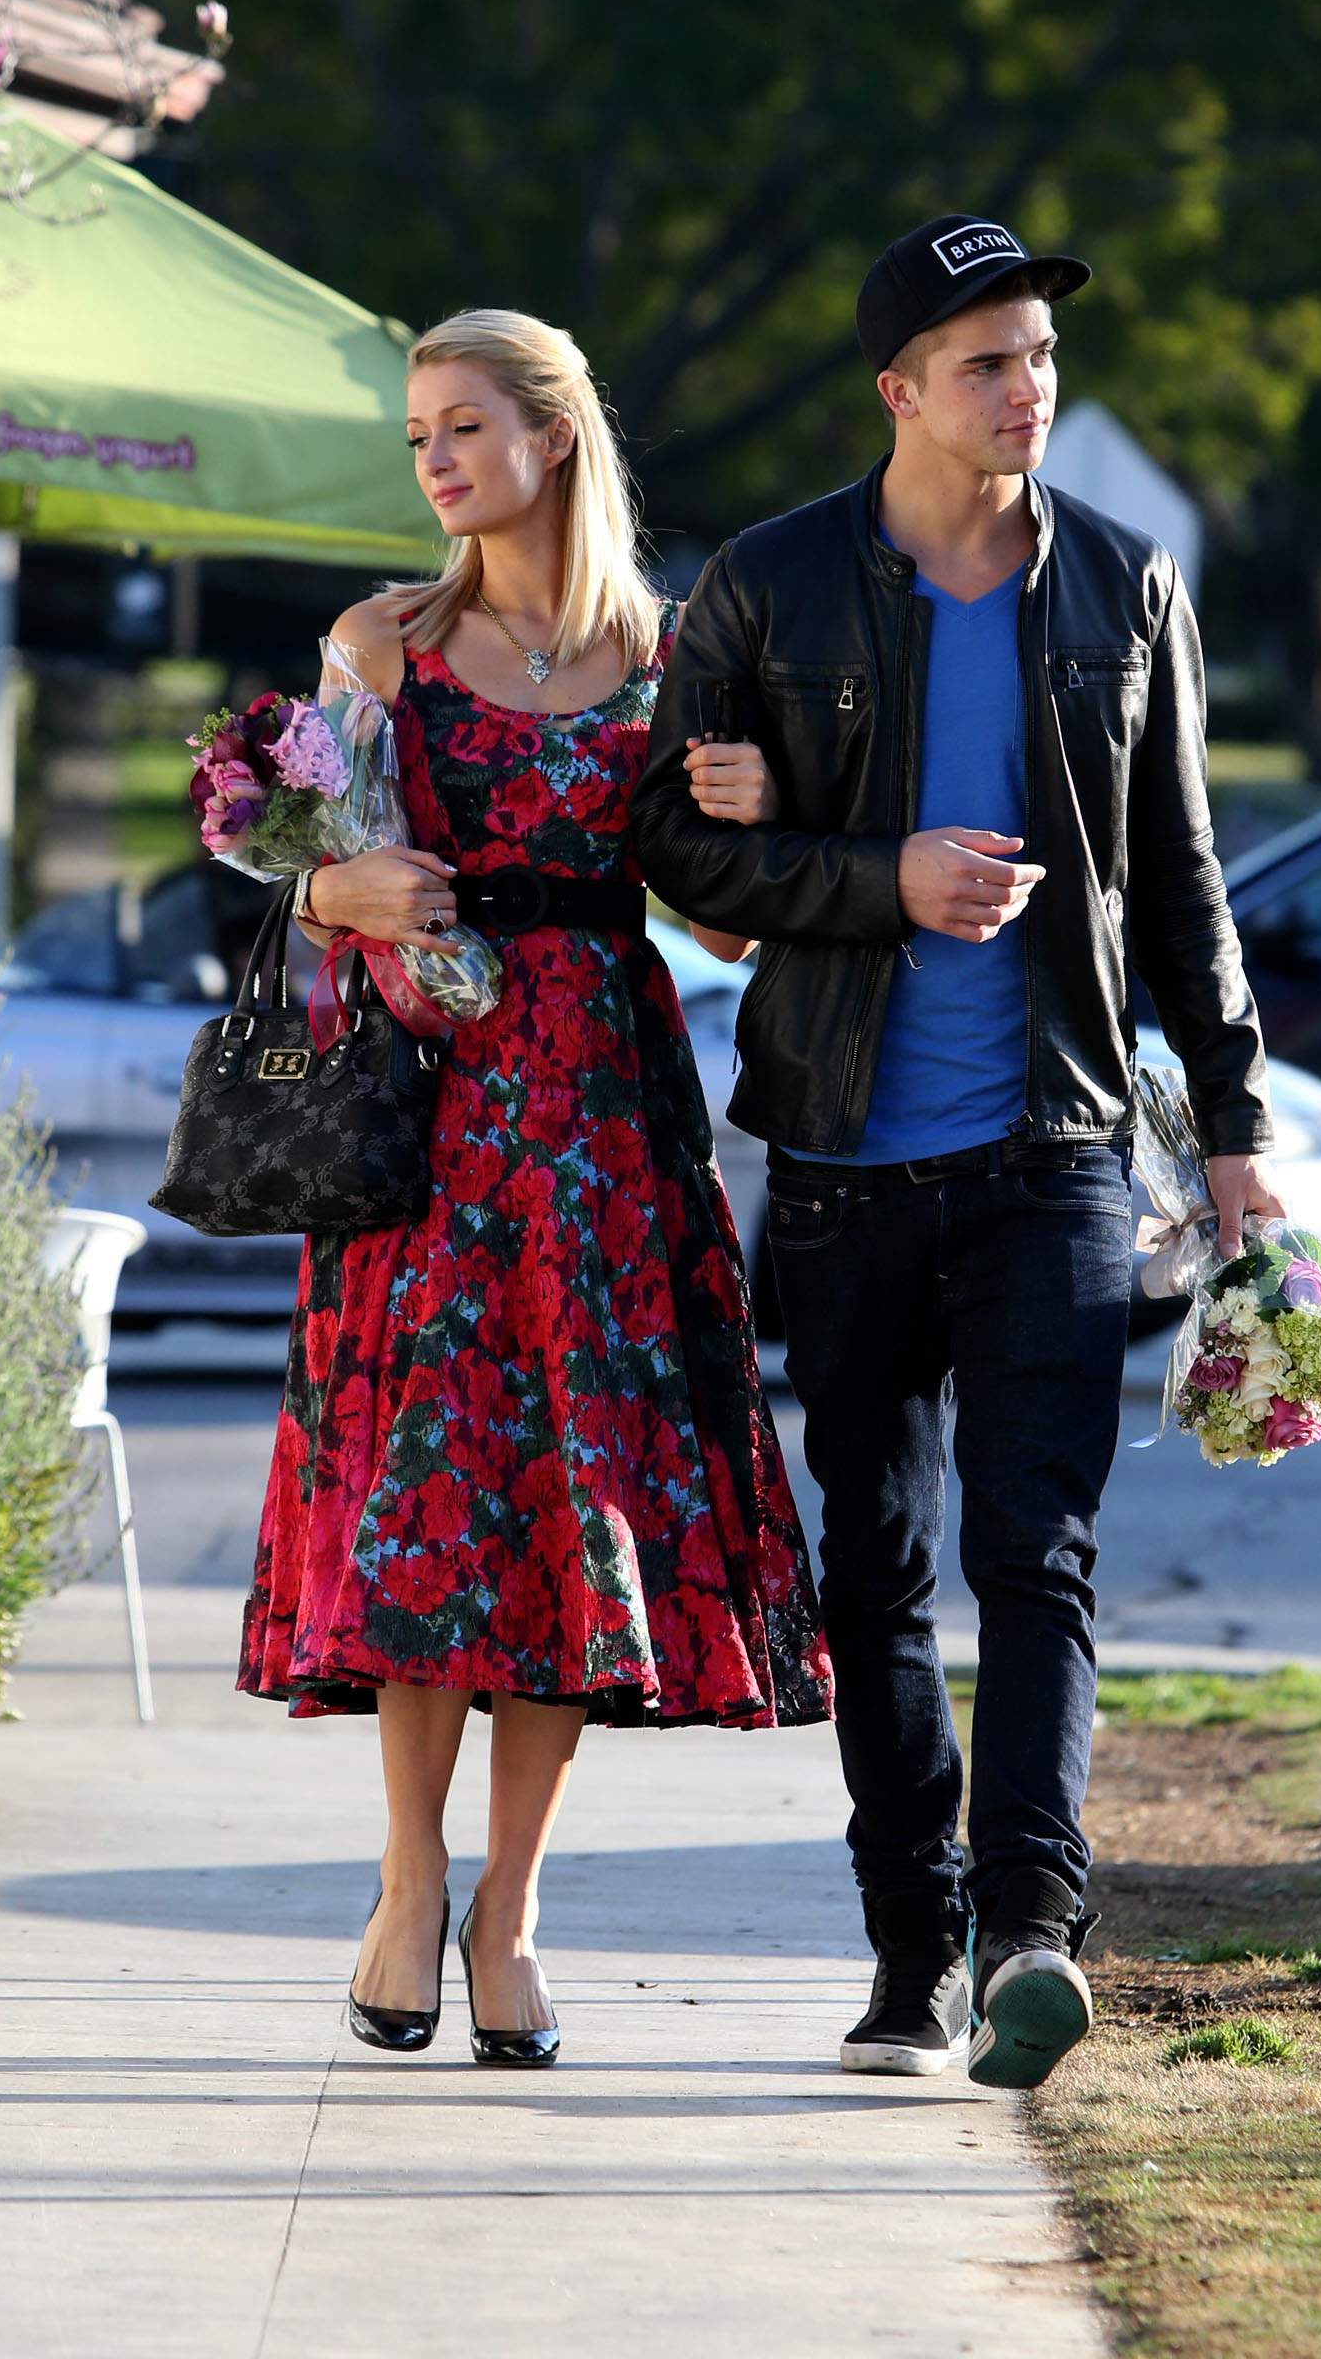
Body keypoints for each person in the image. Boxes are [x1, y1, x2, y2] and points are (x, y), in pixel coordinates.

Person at [632, 215, 1284, 2090]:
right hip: (839, 1160)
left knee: (1042, 1555)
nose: (1030, 390)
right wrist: (879, 880)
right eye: (990, 360)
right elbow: (677, 850)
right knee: (876, 1566)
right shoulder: (766, 588)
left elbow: (1183, 884)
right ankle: (908, 1945)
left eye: (1043, 359)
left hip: (1057, 1151)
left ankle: (1027, 1932)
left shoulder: (1127, 587)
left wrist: (1234, 1127)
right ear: (901, 388)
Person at [239, 307, 832, 2067]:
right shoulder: (382, 640)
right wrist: (336, 895)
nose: (431, 460)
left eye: (462, 426)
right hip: (427, 1129)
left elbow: (719, 915)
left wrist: (750, 795)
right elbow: (300, 875)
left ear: (553, 436)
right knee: (429, 1505)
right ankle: (408, 1885)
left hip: (602, 1132)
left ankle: (513, 1912)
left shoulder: (667, 655)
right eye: (418, 432)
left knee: (579, 1514)